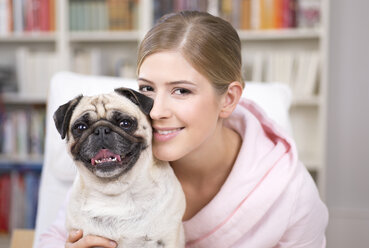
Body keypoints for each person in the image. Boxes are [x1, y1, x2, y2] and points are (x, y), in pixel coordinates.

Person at [39, 11, 328, 248]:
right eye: (147, 89)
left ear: (227, 100)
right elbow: (54, 237)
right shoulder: (116, 163)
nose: (157, 110)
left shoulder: (291, 195)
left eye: (181, 91)